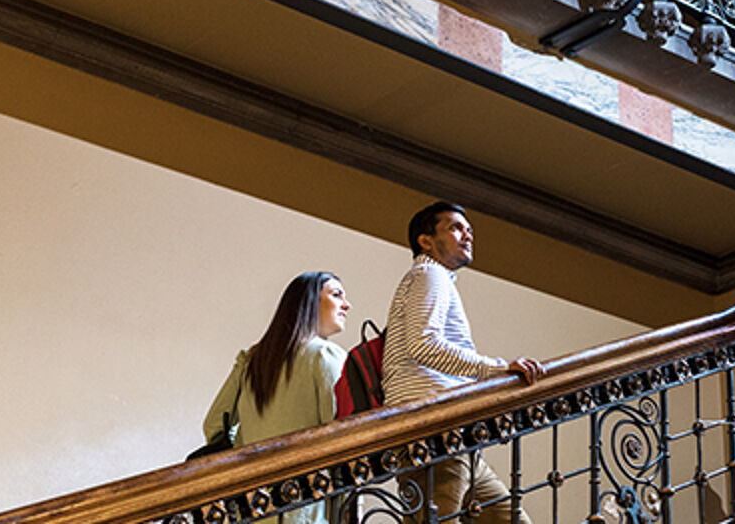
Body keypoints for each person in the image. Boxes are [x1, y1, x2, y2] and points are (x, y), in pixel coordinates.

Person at [382, 202, 544, 524]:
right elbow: (424, 345)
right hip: (433, 429)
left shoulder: (435, 278)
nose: (468, 236)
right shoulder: (430, 274)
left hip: (455, 433)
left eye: (469, 230)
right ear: (426, 241)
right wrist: (497, 368)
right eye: (455, 228)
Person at [202, 271, 351, 524]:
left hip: (252, 507)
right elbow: (344, 437)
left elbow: (214, 425)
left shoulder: (252, 359)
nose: (347, 304)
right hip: (303, 509)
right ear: (309, 302)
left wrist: (244, 446)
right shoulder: (325, 356)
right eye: (336, 295)